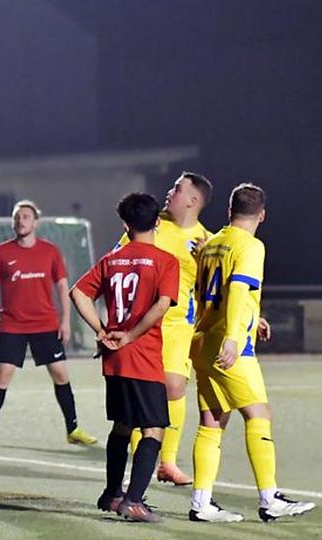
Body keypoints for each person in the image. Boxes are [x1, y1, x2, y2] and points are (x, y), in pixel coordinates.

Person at [188, 183, 314, 522]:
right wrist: (233, 336)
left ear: (230, 211)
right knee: (259, 415)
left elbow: (214, 293)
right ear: (262, 214)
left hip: (200, 340)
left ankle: (201, 503)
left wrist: (252, 317)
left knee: (212, 421)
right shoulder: (251, 246)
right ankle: (269, 498)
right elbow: (239, 287)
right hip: (229, 346)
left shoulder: (211, 244)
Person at [71, 192, 180, 523]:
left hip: (114, 358)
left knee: (122, 426)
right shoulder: (165, 260)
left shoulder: (112, 259)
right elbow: (162, 305)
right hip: (142, 356)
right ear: (157, 221)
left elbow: (78, 292)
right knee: (154, 428)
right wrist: (131, 335)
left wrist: (103, 330)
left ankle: (112, 492)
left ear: (125, 224)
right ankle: (133, 501)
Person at [0, 200, 96, 447]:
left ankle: (73, 429)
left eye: (26, 217)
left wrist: (65, 320)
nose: (21, 221)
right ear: (13, 222)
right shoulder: (1, 253)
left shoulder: (50, 251)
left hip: (45, 324)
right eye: (17, 217)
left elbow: (63, 286)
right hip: (12, 325)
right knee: (3, 374)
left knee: (61, 374)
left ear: (35, 222)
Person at [121, 172, 213, 485]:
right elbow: (122, 258)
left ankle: (168, 462)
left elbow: (214, 288)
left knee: (174, 386)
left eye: (178, 189)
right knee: (142, 394)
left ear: (193, 200)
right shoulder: (152, 224)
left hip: (177, 325)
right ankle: (139, 469)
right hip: (143, 323)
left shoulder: (206, 241)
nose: (170, 192)